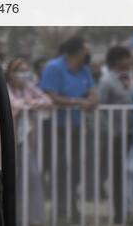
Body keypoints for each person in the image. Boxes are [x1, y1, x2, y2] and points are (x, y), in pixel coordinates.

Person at [40, 35, 96, 222]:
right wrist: (79, 102)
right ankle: (62, 209)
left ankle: (71, 205)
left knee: (76, 168)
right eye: (87, 47)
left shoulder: (85, 70)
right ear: (78, 50)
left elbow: (93, 94)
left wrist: (91, 101)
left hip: (77, 126)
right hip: (56, 127)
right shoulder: (54, 67)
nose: (89, 51)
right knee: (60, 168)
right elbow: (51, 95)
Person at [6, 57, 52, 226]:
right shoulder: (6, 88)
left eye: (26, 70)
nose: (24, 75)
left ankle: (34, 219)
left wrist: (29, 103)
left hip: (26, 141)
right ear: (10, 74)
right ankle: (13, 218)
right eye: (19, 71)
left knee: (32, 177)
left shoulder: (29, 88)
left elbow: (47, 101)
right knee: (14, 180)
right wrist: (28, 104)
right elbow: (14, 105)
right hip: (9, 142)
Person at [97, 45, 133, 222]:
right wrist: (109, 131)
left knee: (132, 171)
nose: (128, 61)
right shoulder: (107, 81)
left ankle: (132, 209)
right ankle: (119, 213)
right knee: (118, 174)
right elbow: (101, 107)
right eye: (125, 57)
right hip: (116, 134)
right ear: (117, 60)